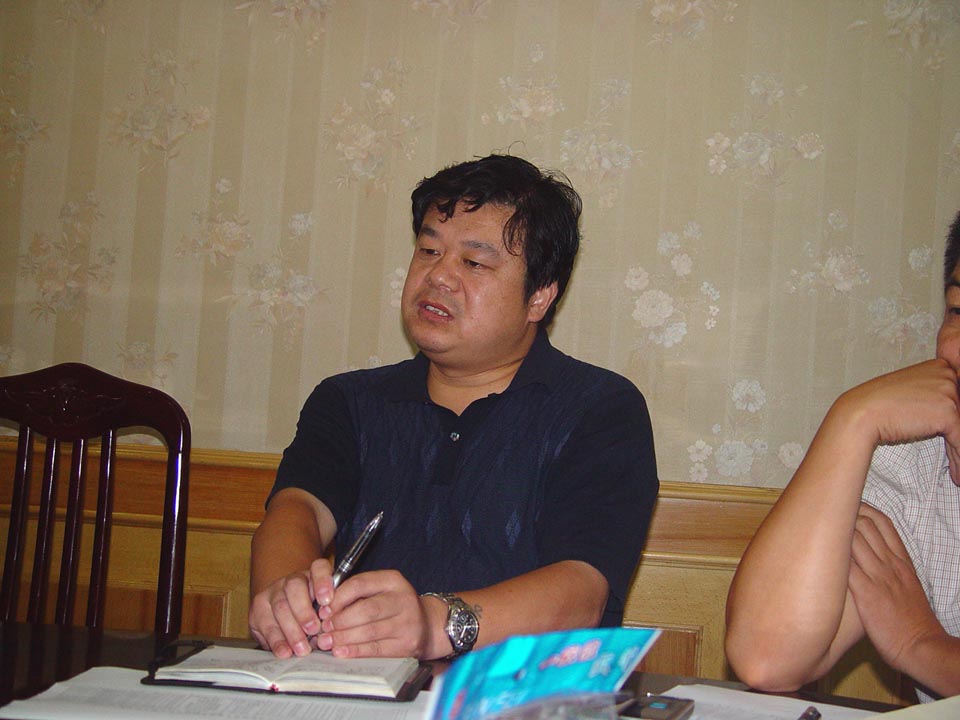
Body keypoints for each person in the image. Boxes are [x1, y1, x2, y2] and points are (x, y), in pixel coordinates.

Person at [248, 153, 659, 663]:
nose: (438, 276)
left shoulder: (600, 409)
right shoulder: (350, 401)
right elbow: (298, 509)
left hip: (523, 693)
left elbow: (583, 591)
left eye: (474, 262)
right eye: (428, 250)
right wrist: (285, 596)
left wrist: (433, 623)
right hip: (362, 686)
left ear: (539, 297)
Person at [725, 212, 960, 701]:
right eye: (959, 310)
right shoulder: (915, 465)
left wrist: (921, 646)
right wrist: (854, 418)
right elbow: (767, 659)